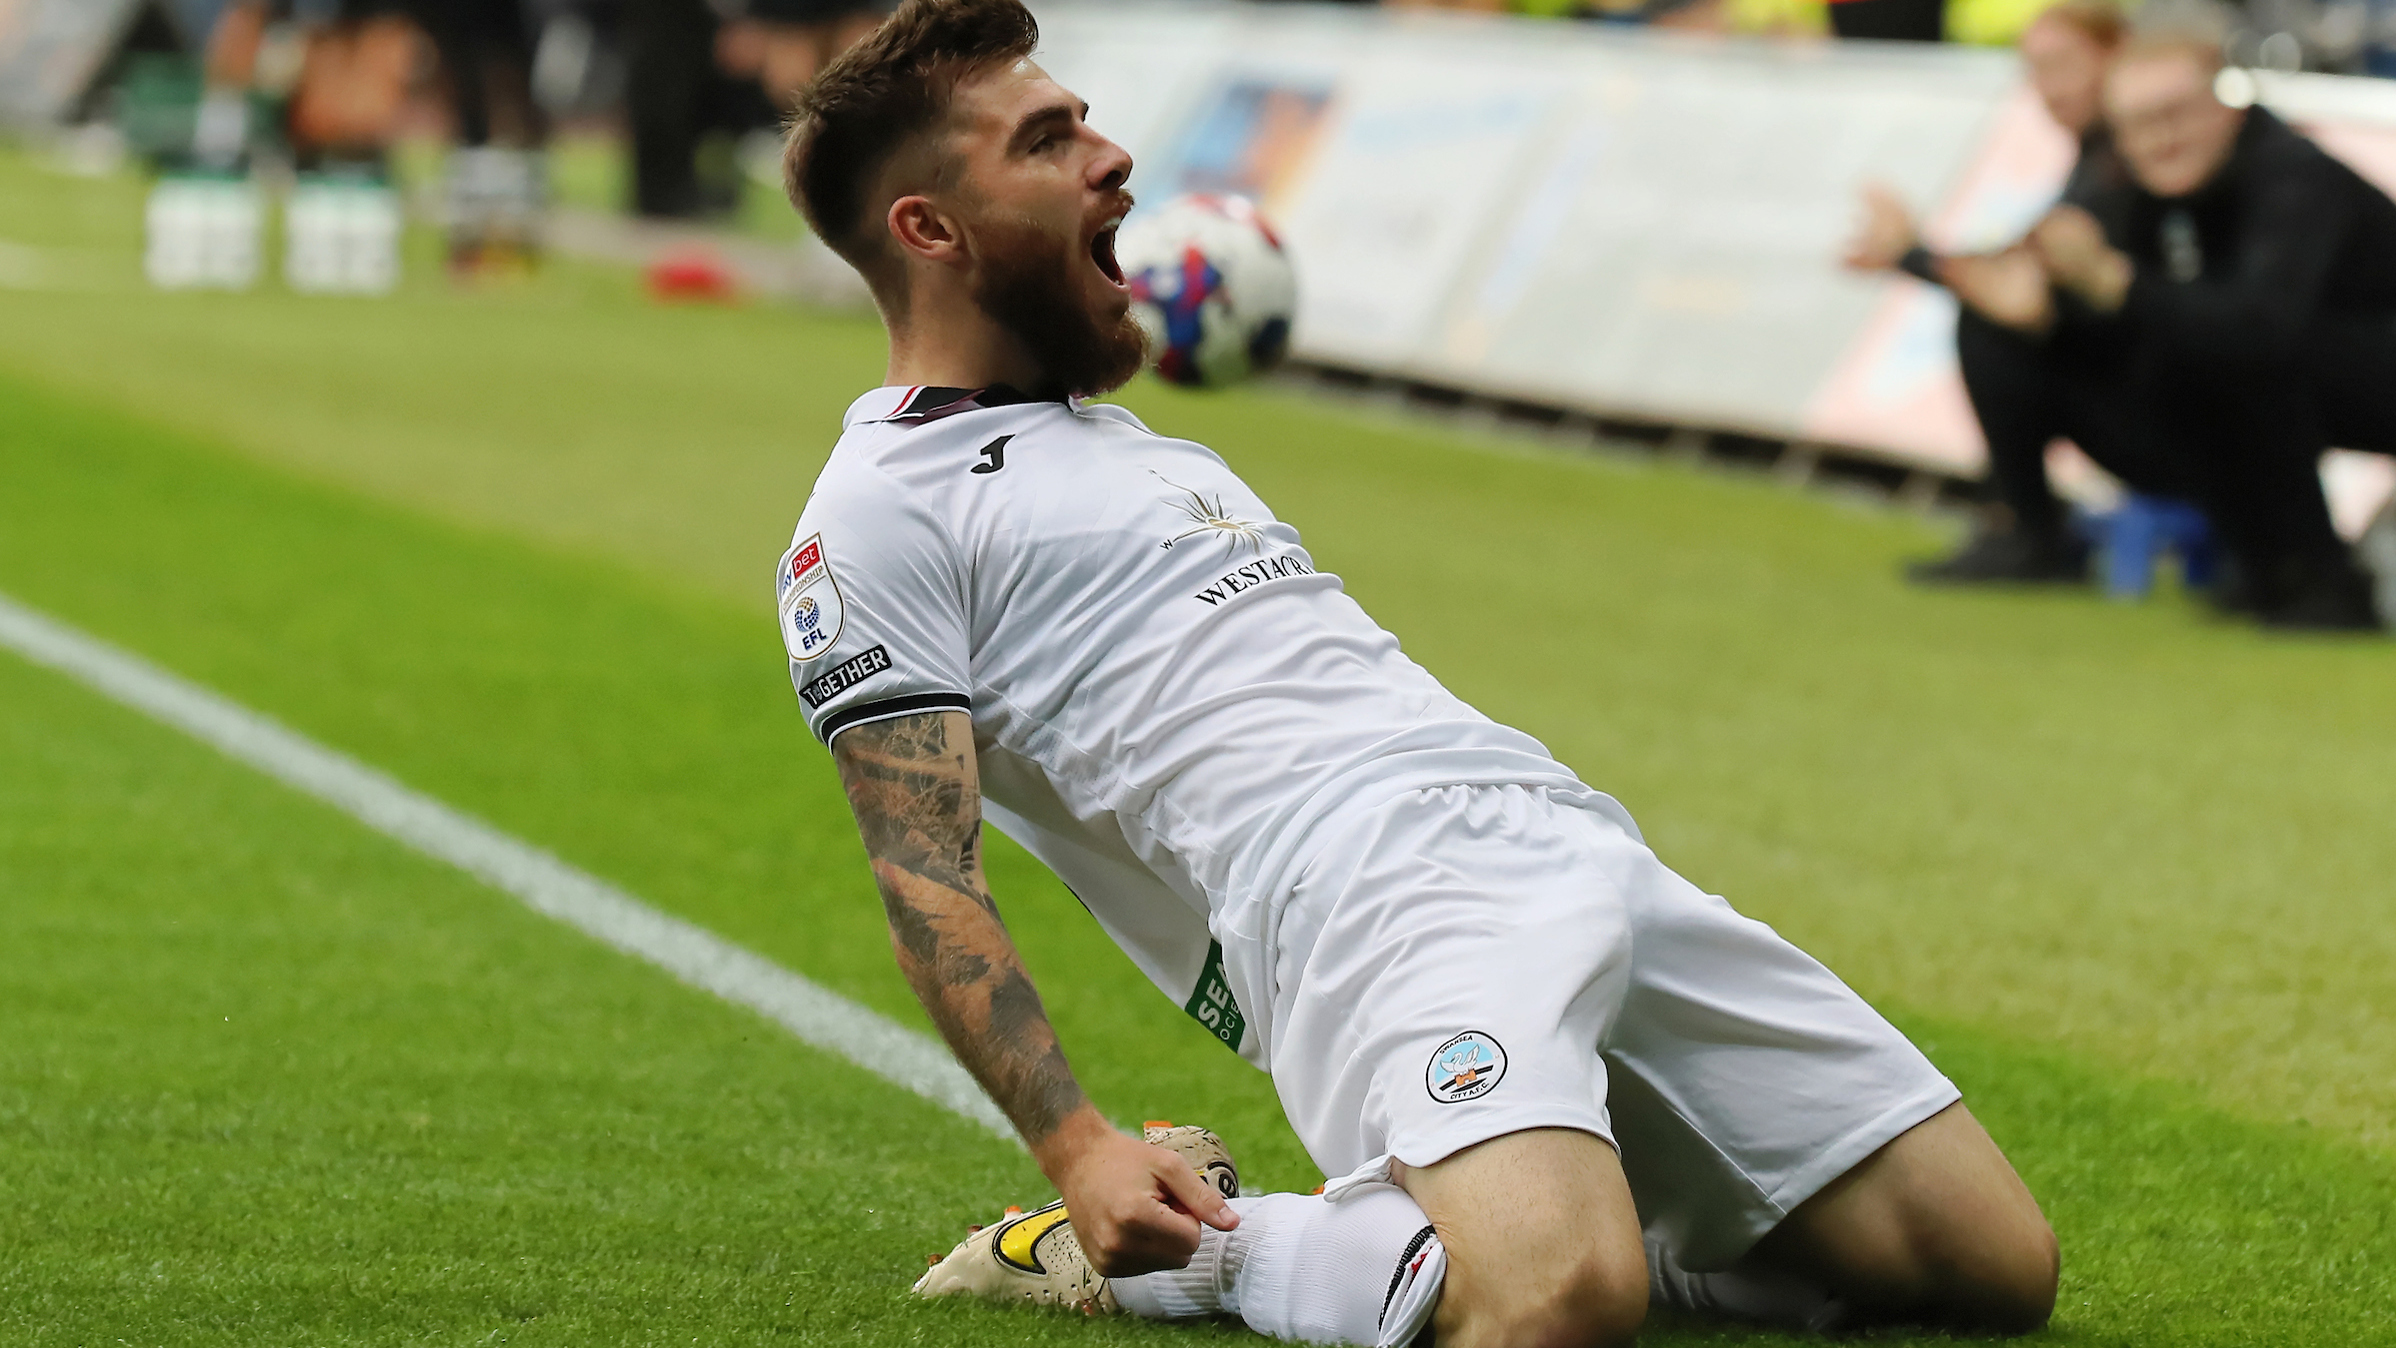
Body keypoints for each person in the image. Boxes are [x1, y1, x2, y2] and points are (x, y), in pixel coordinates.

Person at [774, 3, 2060, 1345]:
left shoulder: (1138, 445)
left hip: (1555, 824)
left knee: (1987, 1267)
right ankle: (1195, 1254)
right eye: (1049, 141)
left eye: (1087, 119)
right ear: (930, 229)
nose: (1113, 158)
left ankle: (1516, 1225)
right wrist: (1079, 1148)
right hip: (1361, 887)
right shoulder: (876, 509)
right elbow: (927, 873)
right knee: (1560, 1304)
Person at [1845, 0, 2131, 585]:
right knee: (1989, 321)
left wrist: (1909, 253)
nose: (2048, 90)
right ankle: (2024, 527)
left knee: (1990, 330)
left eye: (2062, 65)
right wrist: (1915, 254)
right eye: (2035, 72)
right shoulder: (2100, 154)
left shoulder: (2124, 160)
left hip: (2179, 408)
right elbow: (2024, 272)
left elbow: (2023, 294)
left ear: (2115, 58)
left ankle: (2029, 533)